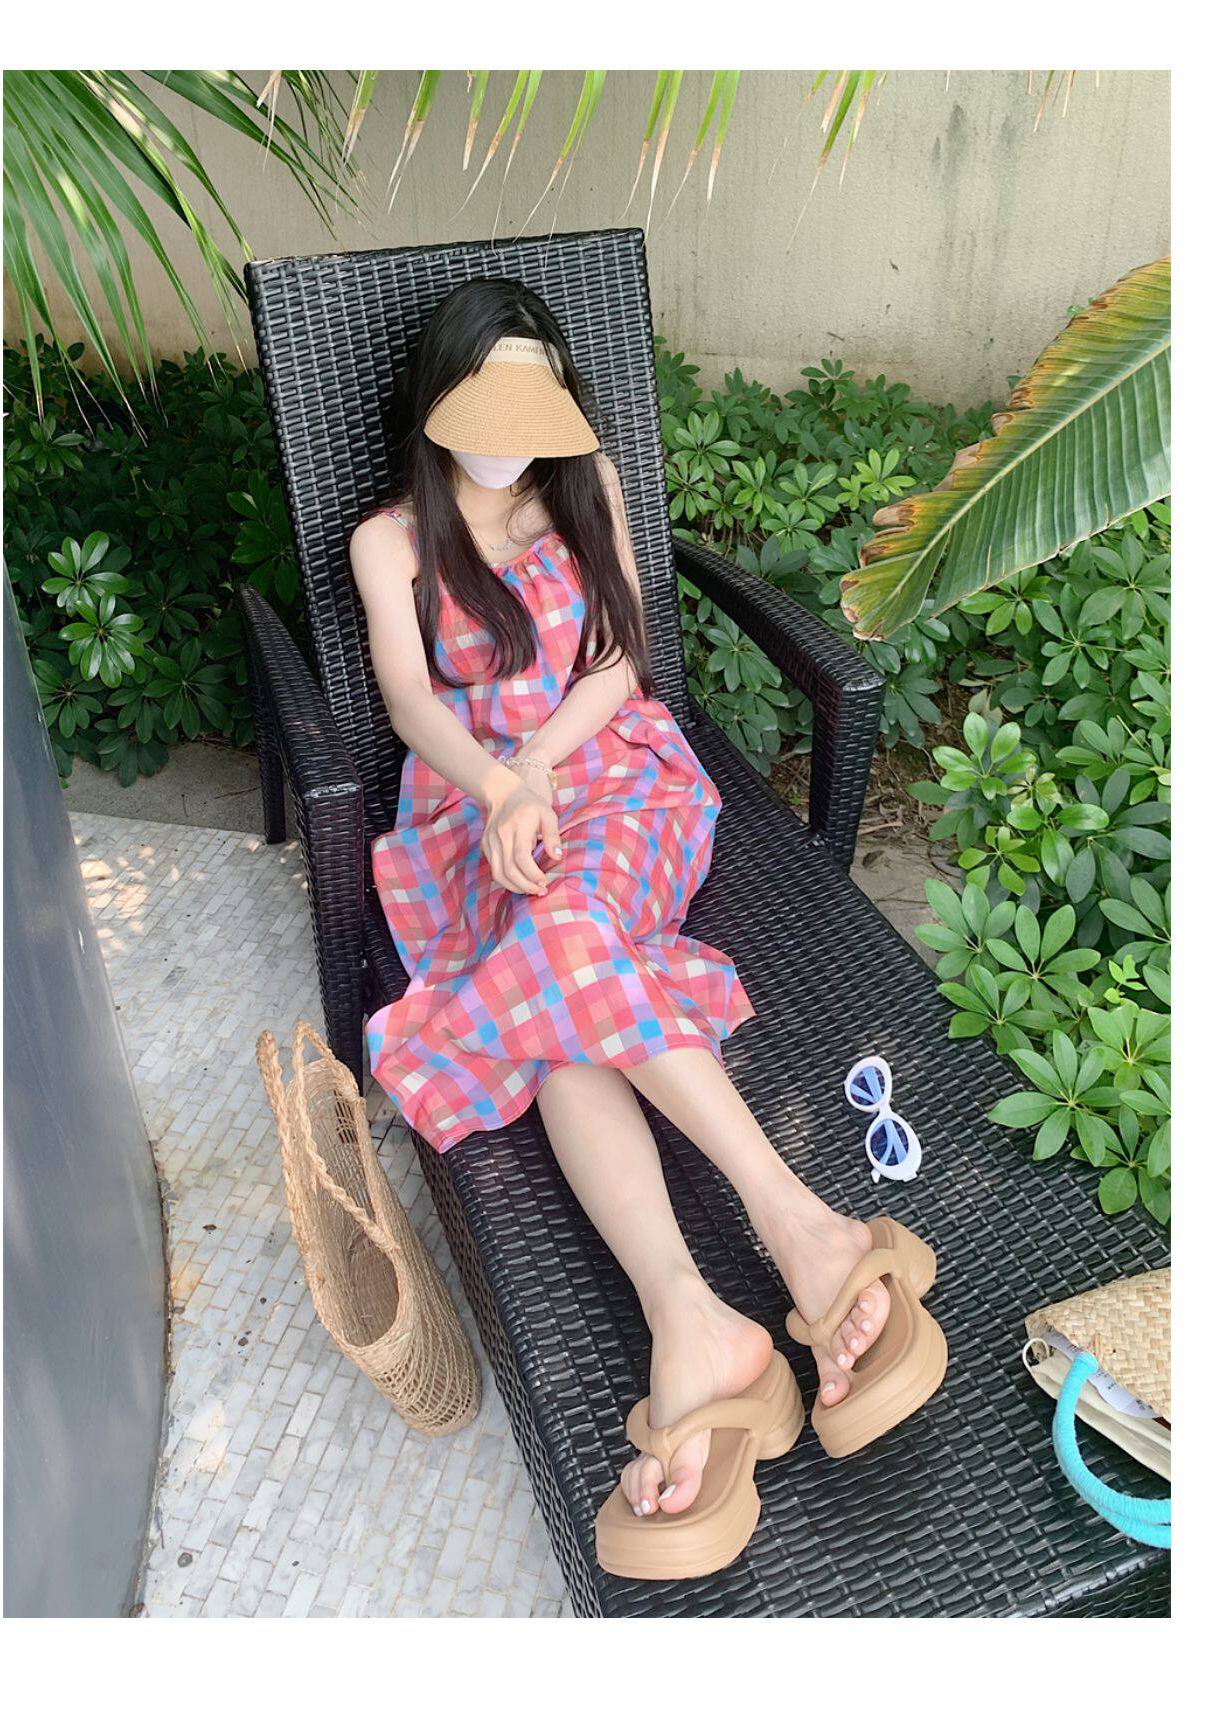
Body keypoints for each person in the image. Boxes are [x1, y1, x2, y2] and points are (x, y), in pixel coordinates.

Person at [349, 278, 938, 1577]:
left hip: (612, 769)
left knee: (556, 941)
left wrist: (542, 763)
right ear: (439, 398)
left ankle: (787, 1237)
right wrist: (500, 787)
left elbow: (620, 660)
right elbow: (410, 705)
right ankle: (708, 1309)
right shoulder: (391, 540)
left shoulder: (587, 482)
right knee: (553, 990)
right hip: (467, 807)